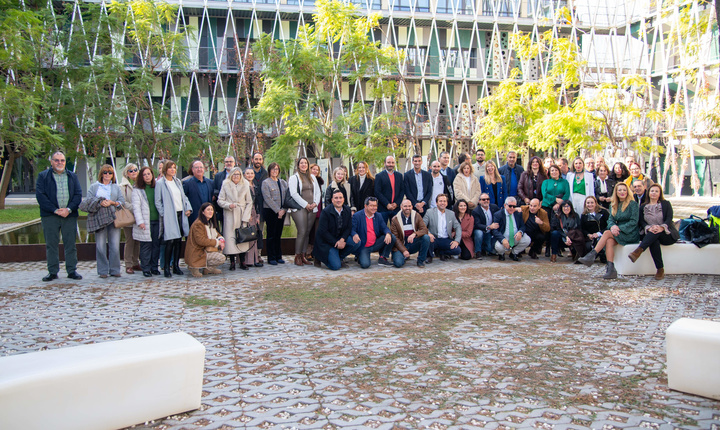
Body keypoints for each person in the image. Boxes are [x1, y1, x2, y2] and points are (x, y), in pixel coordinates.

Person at [36, 151, 83, 281]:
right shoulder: (43, 176)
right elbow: (40, 196)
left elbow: (78, 195)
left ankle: (72, 271)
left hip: (69, 215)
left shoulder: (72, 176)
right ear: (51, 162)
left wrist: (68, 209)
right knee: (51, 244)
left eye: (62, 160)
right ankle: (52, 272)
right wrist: (55, 210)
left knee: (70, 244)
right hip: (50, 216)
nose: (59, 163)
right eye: (56, 160)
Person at [578, 183, 640, 279]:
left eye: (624, 190)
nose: (622, 192)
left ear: (628, 191)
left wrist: (617, 228)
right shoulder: (613, 205)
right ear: (616, 192)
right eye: (619, 190)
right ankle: (610, 269)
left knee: (607, 233)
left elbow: (634, 221)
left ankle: (592, 255)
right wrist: (613, 227)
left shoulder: (633, 204)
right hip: (617, 232)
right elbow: (610, 220)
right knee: (609, 241)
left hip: (630, 232)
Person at [628, 184, 679, 280]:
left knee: (656, 232)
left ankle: (638, 251)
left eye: (656, 191)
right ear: (648, 193)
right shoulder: (643, 207)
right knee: (654, 239)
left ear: (660, 194)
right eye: (652, 191)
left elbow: (669, 218)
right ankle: (660, 269)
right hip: (651, 233)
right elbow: (641, 222)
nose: (654, 193)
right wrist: (648, 228)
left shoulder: (666, 204)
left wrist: (661, 227)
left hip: (666, 233)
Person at [86, 164, 125, 278]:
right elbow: (88, 200)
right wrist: (100, 202)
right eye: (105, 172)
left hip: (113, 218)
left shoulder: (116, 187)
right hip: (98, 219)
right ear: (101, 174)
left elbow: (121, 202)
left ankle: (114, 269)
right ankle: (103, 270)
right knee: (100, 246)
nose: (107, 175)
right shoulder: (94, 187)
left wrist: (112, 202)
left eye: (110, 173)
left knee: (114, 245)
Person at [156, 160, 193, 277]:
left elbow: (183, 197)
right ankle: (167, 267)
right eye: (170, 168)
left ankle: (176, 266)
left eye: (174, 168)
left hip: (180, 213)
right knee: (170, 241)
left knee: (178, 241)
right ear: (165, 169)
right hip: (169, 215)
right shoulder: (161, 183)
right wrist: (164, 214)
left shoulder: (177, 182)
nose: (172, 170)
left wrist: (188, 208)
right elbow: (158, 201)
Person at [313, 190, 360, 270]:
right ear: (332, 200)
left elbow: (348, 227)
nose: (338, 200)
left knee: (356, 242)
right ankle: (320, 257)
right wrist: (336, 242)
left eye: (340, 198)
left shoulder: (347, 210)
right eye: (336, 198)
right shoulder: (325, 212)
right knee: (336, 266)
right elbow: (323, 231)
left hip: (339, 238)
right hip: (327, 242)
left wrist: (342, 239)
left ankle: (339, 257)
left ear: (343, 199)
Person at [218, 167, 253, 271]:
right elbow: (220, 200)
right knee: (230, 239)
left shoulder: (245, 184)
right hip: (230, 215)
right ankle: (232, 262)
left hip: (242, 215)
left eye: (238, 174)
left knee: (242, 238)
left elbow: (249, 202)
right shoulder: (225, 184)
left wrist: (246, 217)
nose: (236, 176)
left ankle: (242, 261)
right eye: (234, 174)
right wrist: (229, 205)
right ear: (231, 175)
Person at [288, 157, 321, 266]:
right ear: (298, 165)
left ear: (308, 165)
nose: (303, 165)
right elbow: (293, 194)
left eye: (305, 163)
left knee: (307, 232)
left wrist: (315, 203)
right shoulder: (293, 178)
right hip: (300, 207)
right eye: (301, 163)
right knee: (301, 231)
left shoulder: (312, 177)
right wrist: (305, 204)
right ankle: (297, 256)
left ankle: (303, 255)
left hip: (312, 207)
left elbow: (317, 192)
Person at [132, 166, 162, 277]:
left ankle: (154, 267)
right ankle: (146, 268)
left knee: (156, 245)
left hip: (157, 220)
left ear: (152, 175)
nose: (147, 176)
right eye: (144, 175)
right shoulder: (137, 190)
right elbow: (136, 207)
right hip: (145, 222)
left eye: (149, 174)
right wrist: (140, 221)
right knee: (146, 246)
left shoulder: (157, 187)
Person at [350, 197, 394, 268]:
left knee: (392, 237)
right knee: (365, 265)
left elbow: (385, 228)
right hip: (364, 246)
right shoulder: (357, 216)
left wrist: (388, 233)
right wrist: (354, 234)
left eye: (375, 206)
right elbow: (352, 229)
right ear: (365, 206)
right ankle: (360, 256)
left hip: (375, 244)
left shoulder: (378, 215)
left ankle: (383, 258)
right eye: (371, 206)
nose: (374, 208)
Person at [185, 202, 226, 277]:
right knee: (221, 258)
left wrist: (221, 240)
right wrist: (217, 242)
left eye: (212, 210)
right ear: (203, 212)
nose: (211, 212)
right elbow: (200, 241)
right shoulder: (198, 224)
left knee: (221, 255)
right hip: (197, 252)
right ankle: (193, 267)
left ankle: (208, 269)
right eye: (208, 210)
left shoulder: (210, 223)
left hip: (206, 250)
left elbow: (217, 234)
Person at [261, 162, 288, 265]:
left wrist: (283, 209)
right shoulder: (266, 183)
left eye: (276, 169)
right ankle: (271, 257)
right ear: (269, 170)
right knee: (271, 235)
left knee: (278, 235)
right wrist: (278, 210)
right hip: (271, 211)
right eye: (273, 169)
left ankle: (278, 256)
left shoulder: (283, 182)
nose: (275, 171)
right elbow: (267, 198)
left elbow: (287, 198)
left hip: (282, 211)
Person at [389, 199, 431, 267]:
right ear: (401, 207)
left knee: (426, 237)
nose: (407, 208)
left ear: (412, 206)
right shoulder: (395, 219)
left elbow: (424, 230)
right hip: (400, 246)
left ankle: (420, 260)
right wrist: (404, 250)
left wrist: (415, 234)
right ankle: (400, 256)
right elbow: (395, 238)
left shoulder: (416, 215)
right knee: (398, 264)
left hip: (412, 244)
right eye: (405, 206)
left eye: (409, 206)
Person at [540, 164, 571, 257]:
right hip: (547, 206)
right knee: (548, 227)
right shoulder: (546, 182)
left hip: (560, 207)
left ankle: (556, 248)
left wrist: (559, 204)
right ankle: (547, 248)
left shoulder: (564, 182)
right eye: (552, 170)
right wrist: (555, 199)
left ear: (559, 172)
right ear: (549, 172)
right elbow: (544, 194)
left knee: (557, 228)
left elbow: (567, 194)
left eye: (556, 170)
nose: (554, 172)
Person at [423, 194, 462, 262]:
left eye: (444, 201)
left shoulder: (451, 214)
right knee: (427, 240)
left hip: (446, 239)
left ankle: (441, 252)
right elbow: (422, 225)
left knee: (457, 250)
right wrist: (428, 233)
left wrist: (456, 241)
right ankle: (429, 256)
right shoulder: (429, 212)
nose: (442, 203)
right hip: (434, 238)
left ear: (447, 203)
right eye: (440, 201)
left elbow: (458, 227)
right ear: (436, 203)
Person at [119, 164, 141, 274]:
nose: (133, 172)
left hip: (139, 217)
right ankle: (128, 264)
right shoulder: (123, 186)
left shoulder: (140, 184)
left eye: (135, 170)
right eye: (130, 171)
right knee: (130, 240)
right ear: (127, 173)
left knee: (137, 240)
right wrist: (136, 208)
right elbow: (123, 202)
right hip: (129, 215)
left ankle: (135, 262)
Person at [183, 160, 215, 226]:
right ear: (192, 170)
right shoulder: (187, 183)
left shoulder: (210, 183)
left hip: (208, 217)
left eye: (201, 167)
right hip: (194, 216)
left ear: (204, 169)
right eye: (196, 167)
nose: (199, 169)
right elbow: (184, 199)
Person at [242, 168, 263, 268]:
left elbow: (258, 202)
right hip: (247, 213)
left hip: (255, 213)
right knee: (248, 236)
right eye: (247, 173)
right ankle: (247, 260)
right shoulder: (243, 186)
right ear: (244, 175)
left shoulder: (255, 186)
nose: (250, 175)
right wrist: (248, 214)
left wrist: (258, 215)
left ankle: (255, 259)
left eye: (251, 173)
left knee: (254, 237)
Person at [374, 155, 405, 222]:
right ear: (385, 163)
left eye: (392, 162)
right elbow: (377, 192)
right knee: (382, 230)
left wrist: (397, 203)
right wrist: (387, 204)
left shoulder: (399, 176)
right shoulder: (379, 176)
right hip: (383, 208)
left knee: (396, 230)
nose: (391, 164)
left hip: (396, 208)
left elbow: (402, 191)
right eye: (389, 162)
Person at [580, 196, 609, 264]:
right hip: (591, 238)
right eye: (588, 203)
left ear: (596, 203)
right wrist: (588, 234)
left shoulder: (603, 212)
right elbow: (582, 228)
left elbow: (609, 225)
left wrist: (599, 234)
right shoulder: (584, 215)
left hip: (603, 235)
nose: (590, 205)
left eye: (592, 203)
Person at [306, 163, 325, 261]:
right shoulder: (306, 180)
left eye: (317, 170)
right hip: (308, 207)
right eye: (313, 169)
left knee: (316, 231)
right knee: (308, 230)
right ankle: (307, 251)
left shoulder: (319, 181)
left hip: (317, 208)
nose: (315, 171)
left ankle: (313, 251)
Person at [472, 193, 500, 258]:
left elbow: (501, 214)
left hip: (490, 232)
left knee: (490, 249)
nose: (486, 201)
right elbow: (477, 225)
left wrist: (515, 209)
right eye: (483, 199)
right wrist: (489, 227)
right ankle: (478, 252)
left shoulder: (494, 207)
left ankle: (485, 249)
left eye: (488, 199)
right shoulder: (476, 211)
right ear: (479, 201)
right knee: (478, 233)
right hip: (481, 230)